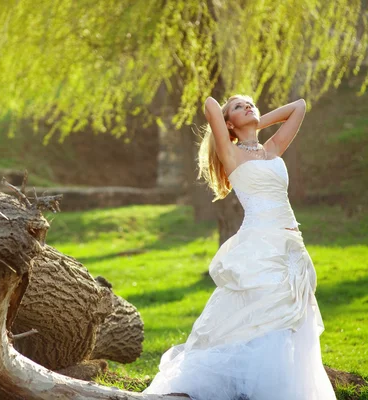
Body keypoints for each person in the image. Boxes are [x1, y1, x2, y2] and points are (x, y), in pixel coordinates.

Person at [142, 95, 336, 400]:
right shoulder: (230, 153)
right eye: (238, 106)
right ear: (228, 123)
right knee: (265, 313)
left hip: (292, 247)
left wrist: (259, 121)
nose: (247, 105)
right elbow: (208, 103)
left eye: (250, 103)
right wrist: (229, 123)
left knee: (292, 320)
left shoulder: (272, 149)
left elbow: (299, 106)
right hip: (259, 244)